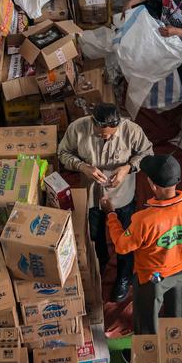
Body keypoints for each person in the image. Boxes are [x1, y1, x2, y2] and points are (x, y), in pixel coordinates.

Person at [103, 154, 182, 334]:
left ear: (153, 185)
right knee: (180, 321)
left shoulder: (144, 220)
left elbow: (121, 246)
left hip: (154, 278)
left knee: (147, 320)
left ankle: (148, 350)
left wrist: (111, 216)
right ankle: (175, 349)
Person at [57, 102, 154, 302]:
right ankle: (100, 264)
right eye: (101, 135)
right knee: (95, 235)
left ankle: (124, 276)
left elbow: (147, 153)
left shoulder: (132, 130)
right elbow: (63, 153)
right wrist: (82, 166)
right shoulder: (77, 128)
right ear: (93, 123)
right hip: (92, 195)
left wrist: (128, 167)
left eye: (111, 134)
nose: (106, 137)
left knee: (125, 240)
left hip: (122, 196)